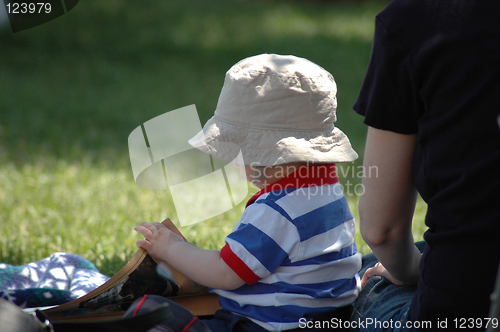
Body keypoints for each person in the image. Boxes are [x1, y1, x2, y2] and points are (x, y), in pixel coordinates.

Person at [134, 53, 361, 331]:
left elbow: (226, 272)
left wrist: (171, 247)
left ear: (263, 156)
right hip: (327, 319)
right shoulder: (328, 190)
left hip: (267, 324)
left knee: (148, 312)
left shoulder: (277, 210)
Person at [351, 1, 500, 331]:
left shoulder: (419, 16)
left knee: (362, 273)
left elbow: (382, 230)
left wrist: (409, 271)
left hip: (461, 311)